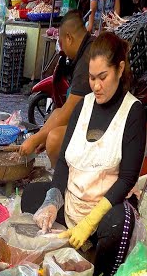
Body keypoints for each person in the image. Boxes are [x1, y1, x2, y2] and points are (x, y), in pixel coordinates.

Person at [20, 32, 145, 276]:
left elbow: (127, 178)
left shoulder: (133, 112)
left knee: (119, 224)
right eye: (91, 78)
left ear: (120, 69)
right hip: (73, 201)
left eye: (103, 77)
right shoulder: (83, 106)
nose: (96, 86)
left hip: (105, 208)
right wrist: (52, 202)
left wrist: (90, 221)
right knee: (31, 196)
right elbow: (63, 162)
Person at [19, 11, 94, 163]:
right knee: (56, 113)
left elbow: (70, 109)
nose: (62, 49)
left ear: (69, 38)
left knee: (54, 139)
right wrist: (42, 135)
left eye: (61, 42)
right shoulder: (87, 47)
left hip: (103, 125)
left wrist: (36, 138)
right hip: (91, 116)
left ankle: (62, 177)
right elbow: (63, 111)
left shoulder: (87, 59)